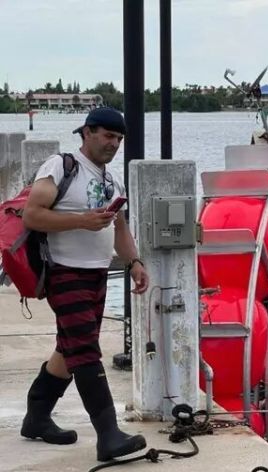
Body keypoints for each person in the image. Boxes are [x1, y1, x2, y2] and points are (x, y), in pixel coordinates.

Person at [20, 107, 150, 462]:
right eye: (108, 136)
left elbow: (119, 229)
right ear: (87, 133)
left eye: (119, 139)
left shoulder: (112, 182)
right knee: (86, 350)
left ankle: (36, 416)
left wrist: (134, 262)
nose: (114, 144)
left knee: (70, 347)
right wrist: (80, 221)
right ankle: (108, 435)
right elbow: (32, 214)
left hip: (97, 274)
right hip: (64, 271)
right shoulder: (60, 167)